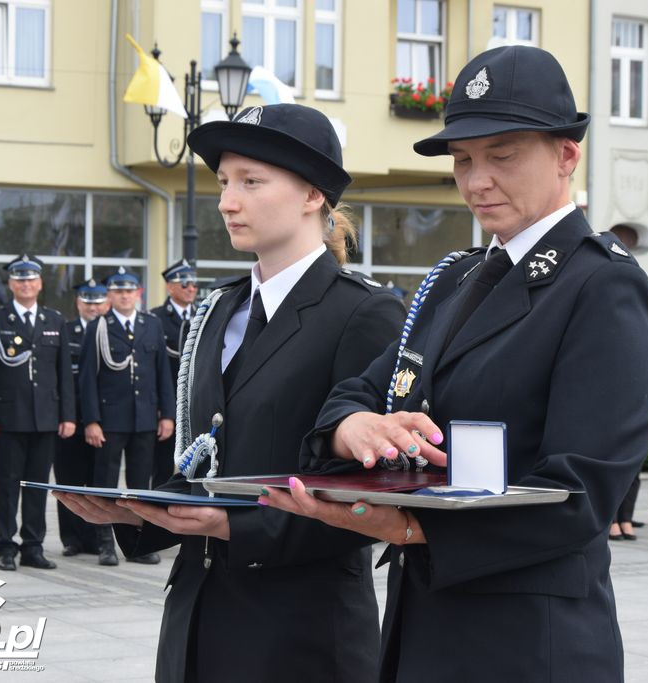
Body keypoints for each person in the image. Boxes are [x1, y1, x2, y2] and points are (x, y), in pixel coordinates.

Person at [263, 46, 648, 681]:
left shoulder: (601, 285)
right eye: (463, 160)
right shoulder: (456, 279)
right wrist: (353, 428)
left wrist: (412, 530)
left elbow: (582, 492)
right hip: (425, 621)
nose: (477, 180)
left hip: (529, 640)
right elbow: (363, 389)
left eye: (502, 156)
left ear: (567, 154)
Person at [56, 102, 405, 682]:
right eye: (223, 182)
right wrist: (138, 511)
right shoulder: (219, 309)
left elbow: (370, 496)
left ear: (313, 194)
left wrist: (232, 525)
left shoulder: (364, 312)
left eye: (251, 181)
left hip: (300, 631)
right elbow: (206, 454)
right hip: (198, 618)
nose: (227, 201)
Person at [0, 255, 75, 571]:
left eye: (31, 279)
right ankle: (6, 545)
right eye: (20, 280)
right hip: (9, 419)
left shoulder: (54, 321)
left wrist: (67, 415)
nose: (26, 285)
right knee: (6, 486)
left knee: (37, 486)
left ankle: (33, 546)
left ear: (40, 283)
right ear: (11, 284)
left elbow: (64, 375)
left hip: (45, 418)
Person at [78, 267, 175, 566]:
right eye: (118, 291)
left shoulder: (151, 325)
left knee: (139, 486)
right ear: (110, 295)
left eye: (129, 290)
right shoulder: (99, 327)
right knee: (105, 483)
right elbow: (87, 378)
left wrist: (167, 415)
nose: (124, 296)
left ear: (138, 293)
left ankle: (137, 543)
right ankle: (105, 542)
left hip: (145, 417)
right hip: (110, 419)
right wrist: (92, 420)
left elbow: (162, 374)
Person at [53, 278, 108, 557]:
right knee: (69, 482)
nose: (93, 307)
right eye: (88, 302)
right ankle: (72, 538)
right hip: (71, 419)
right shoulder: (66, 330)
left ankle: (97, 538)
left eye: (98, 302)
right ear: (78, 303)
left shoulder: (110, 332)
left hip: (102, 420)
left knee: (97, 482)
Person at [149, 260, 198, 489]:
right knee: (162, 466)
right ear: (170, 287)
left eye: (194, 284)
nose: (191, 288)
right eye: (185, 283)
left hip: (196, 403)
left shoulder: (203, 314)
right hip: (168, 406)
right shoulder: (155, 318)